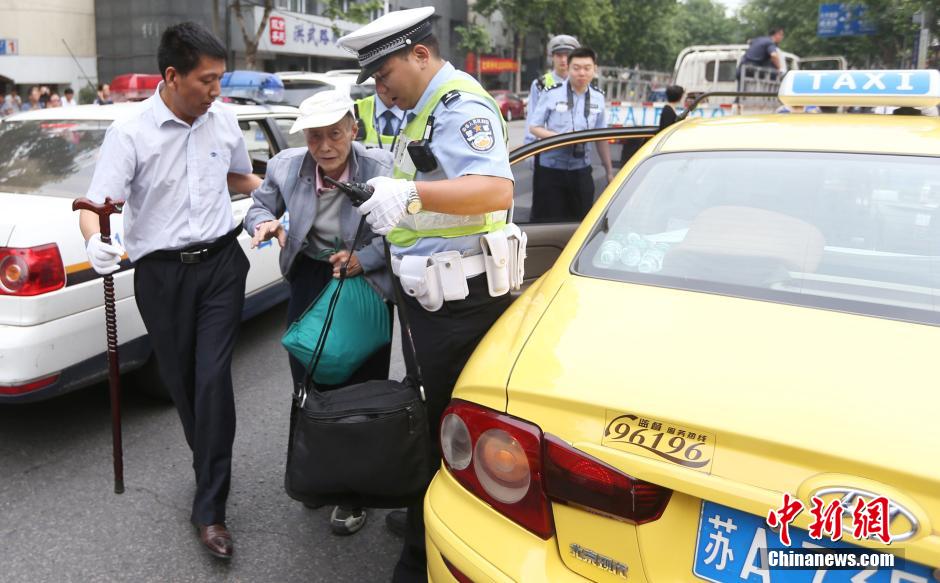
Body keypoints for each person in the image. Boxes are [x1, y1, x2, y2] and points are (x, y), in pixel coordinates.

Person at [338, 7, 518, 581]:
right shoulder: (420, 110)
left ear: (420, 55)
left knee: (447, 426)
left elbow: (494, 189)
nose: (382, 89)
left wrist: (411, 197)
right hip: (428, 295)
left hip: (460, 300)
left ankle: (426, 557)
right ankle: (428, 514)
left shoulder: (460, 105)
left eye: (385, 74)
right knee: (429, 417)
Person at [78, 21, 261, 560]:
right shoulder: (130, 133)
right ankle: (208, 467)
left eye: (220, 78)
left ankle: (211, 508)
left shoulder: (223, 121)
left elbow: (237, 177)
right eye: (207, 80)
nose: (216, 90)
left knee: (213, 380)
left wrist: (284, 191)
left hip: (222, 263)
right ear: (173, 76)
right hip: (162, 275)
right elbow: (95, 206)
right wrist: (94, 241)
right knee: (184, 386)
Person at [244, 89, 394, 536]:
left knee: (361, 384)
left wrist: (365, 259)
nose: (325, 146)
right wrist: (264, 223)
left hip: (363, 277)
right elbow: (259, 205)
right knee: (307, 378)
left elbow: (405, 229)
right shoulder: (285, 165)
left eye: (334, 134)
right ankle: (318, 471)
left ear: (353, 129)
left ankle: (355, 492)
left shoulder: (382, 168)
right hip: (311, 273)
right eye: (314, 137)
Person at [529, 46, 613, 222]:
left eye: (587, 68)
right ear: (568, 68)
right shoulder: (551, 93)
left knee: (581, 222)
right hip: (551, 169)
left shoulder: (598, 97)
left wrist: (609, 171)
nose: (581, 73)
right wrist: (560, 139)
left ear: (595, 69)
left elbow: (601, 138)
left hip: (581, 169)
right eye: (576, 68)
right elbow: (534, 127)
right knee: (548, 223)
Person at [524, 34, 579, 145]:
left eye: (567, 55)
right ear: (552, 57)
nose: (563, 59)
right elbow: (532, 119)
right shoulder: (540, 84)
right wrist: (530, 146)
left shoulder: (581, 83)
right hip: (548, 147)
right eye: (559, 55)